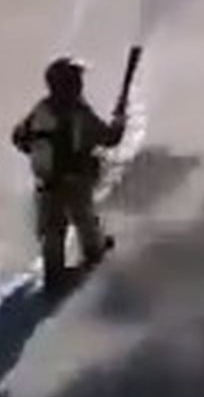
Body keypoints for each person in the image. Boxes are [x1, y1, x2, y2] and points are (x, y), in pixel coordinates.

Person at [11, 57, 125, 295]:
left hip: (46, 181)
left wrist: (38, 154)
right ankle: (93, 253)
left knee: (52, 230)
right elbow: (110, 138)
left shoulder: (41, 108)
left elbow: (19, 137)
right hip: (75, 179)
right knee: (84, 218)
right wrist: (119, 121)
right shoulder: (79, 113)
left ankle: (54, 273)